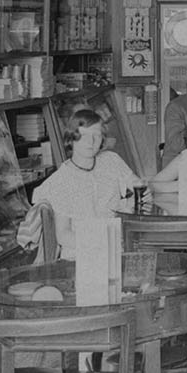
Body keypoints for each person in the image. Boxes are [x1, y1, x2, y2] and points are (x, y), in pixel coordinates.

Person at [18, 108, 141, 259]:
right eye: (84, 135)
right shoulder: (61, 180)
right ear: (72, 138)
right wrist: (102, 242)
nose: (91, 142)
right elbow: (63, 235)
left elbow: (139, 187)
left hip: (119, 247)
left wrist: (135, 199)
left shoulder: (111, 160)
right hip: (81, 256)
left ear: (102, 139)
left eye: (96, 135)